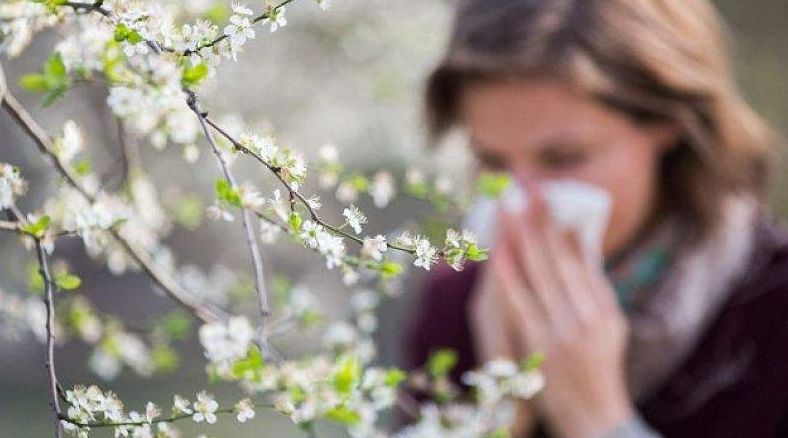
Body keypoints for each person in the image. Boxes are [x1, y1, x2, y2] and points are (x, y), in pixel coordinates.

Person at [406, 0, 788, 437]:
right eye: (493, 162)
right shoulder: (458, 301)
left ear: (668, 121)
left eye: (563, 158)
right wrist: (497, 416)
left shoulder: (771, 309)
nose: (522, 201)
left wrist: (599, 420)